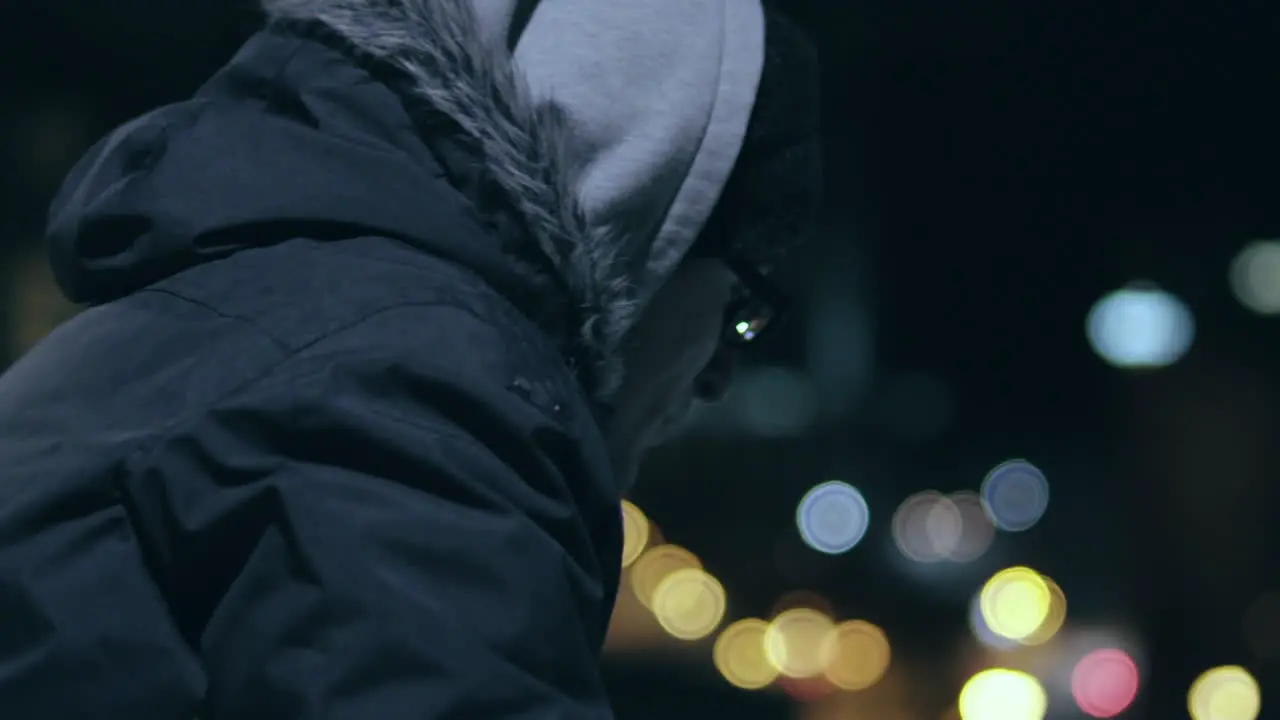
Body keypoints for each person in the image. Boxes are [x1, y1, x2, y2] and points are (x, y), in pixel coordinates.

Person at [0, 0, 821, 717]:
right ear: (648, 205)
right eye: (741, 312)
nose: (716, 376)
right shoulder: (412, 387)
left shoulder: (244, 318)